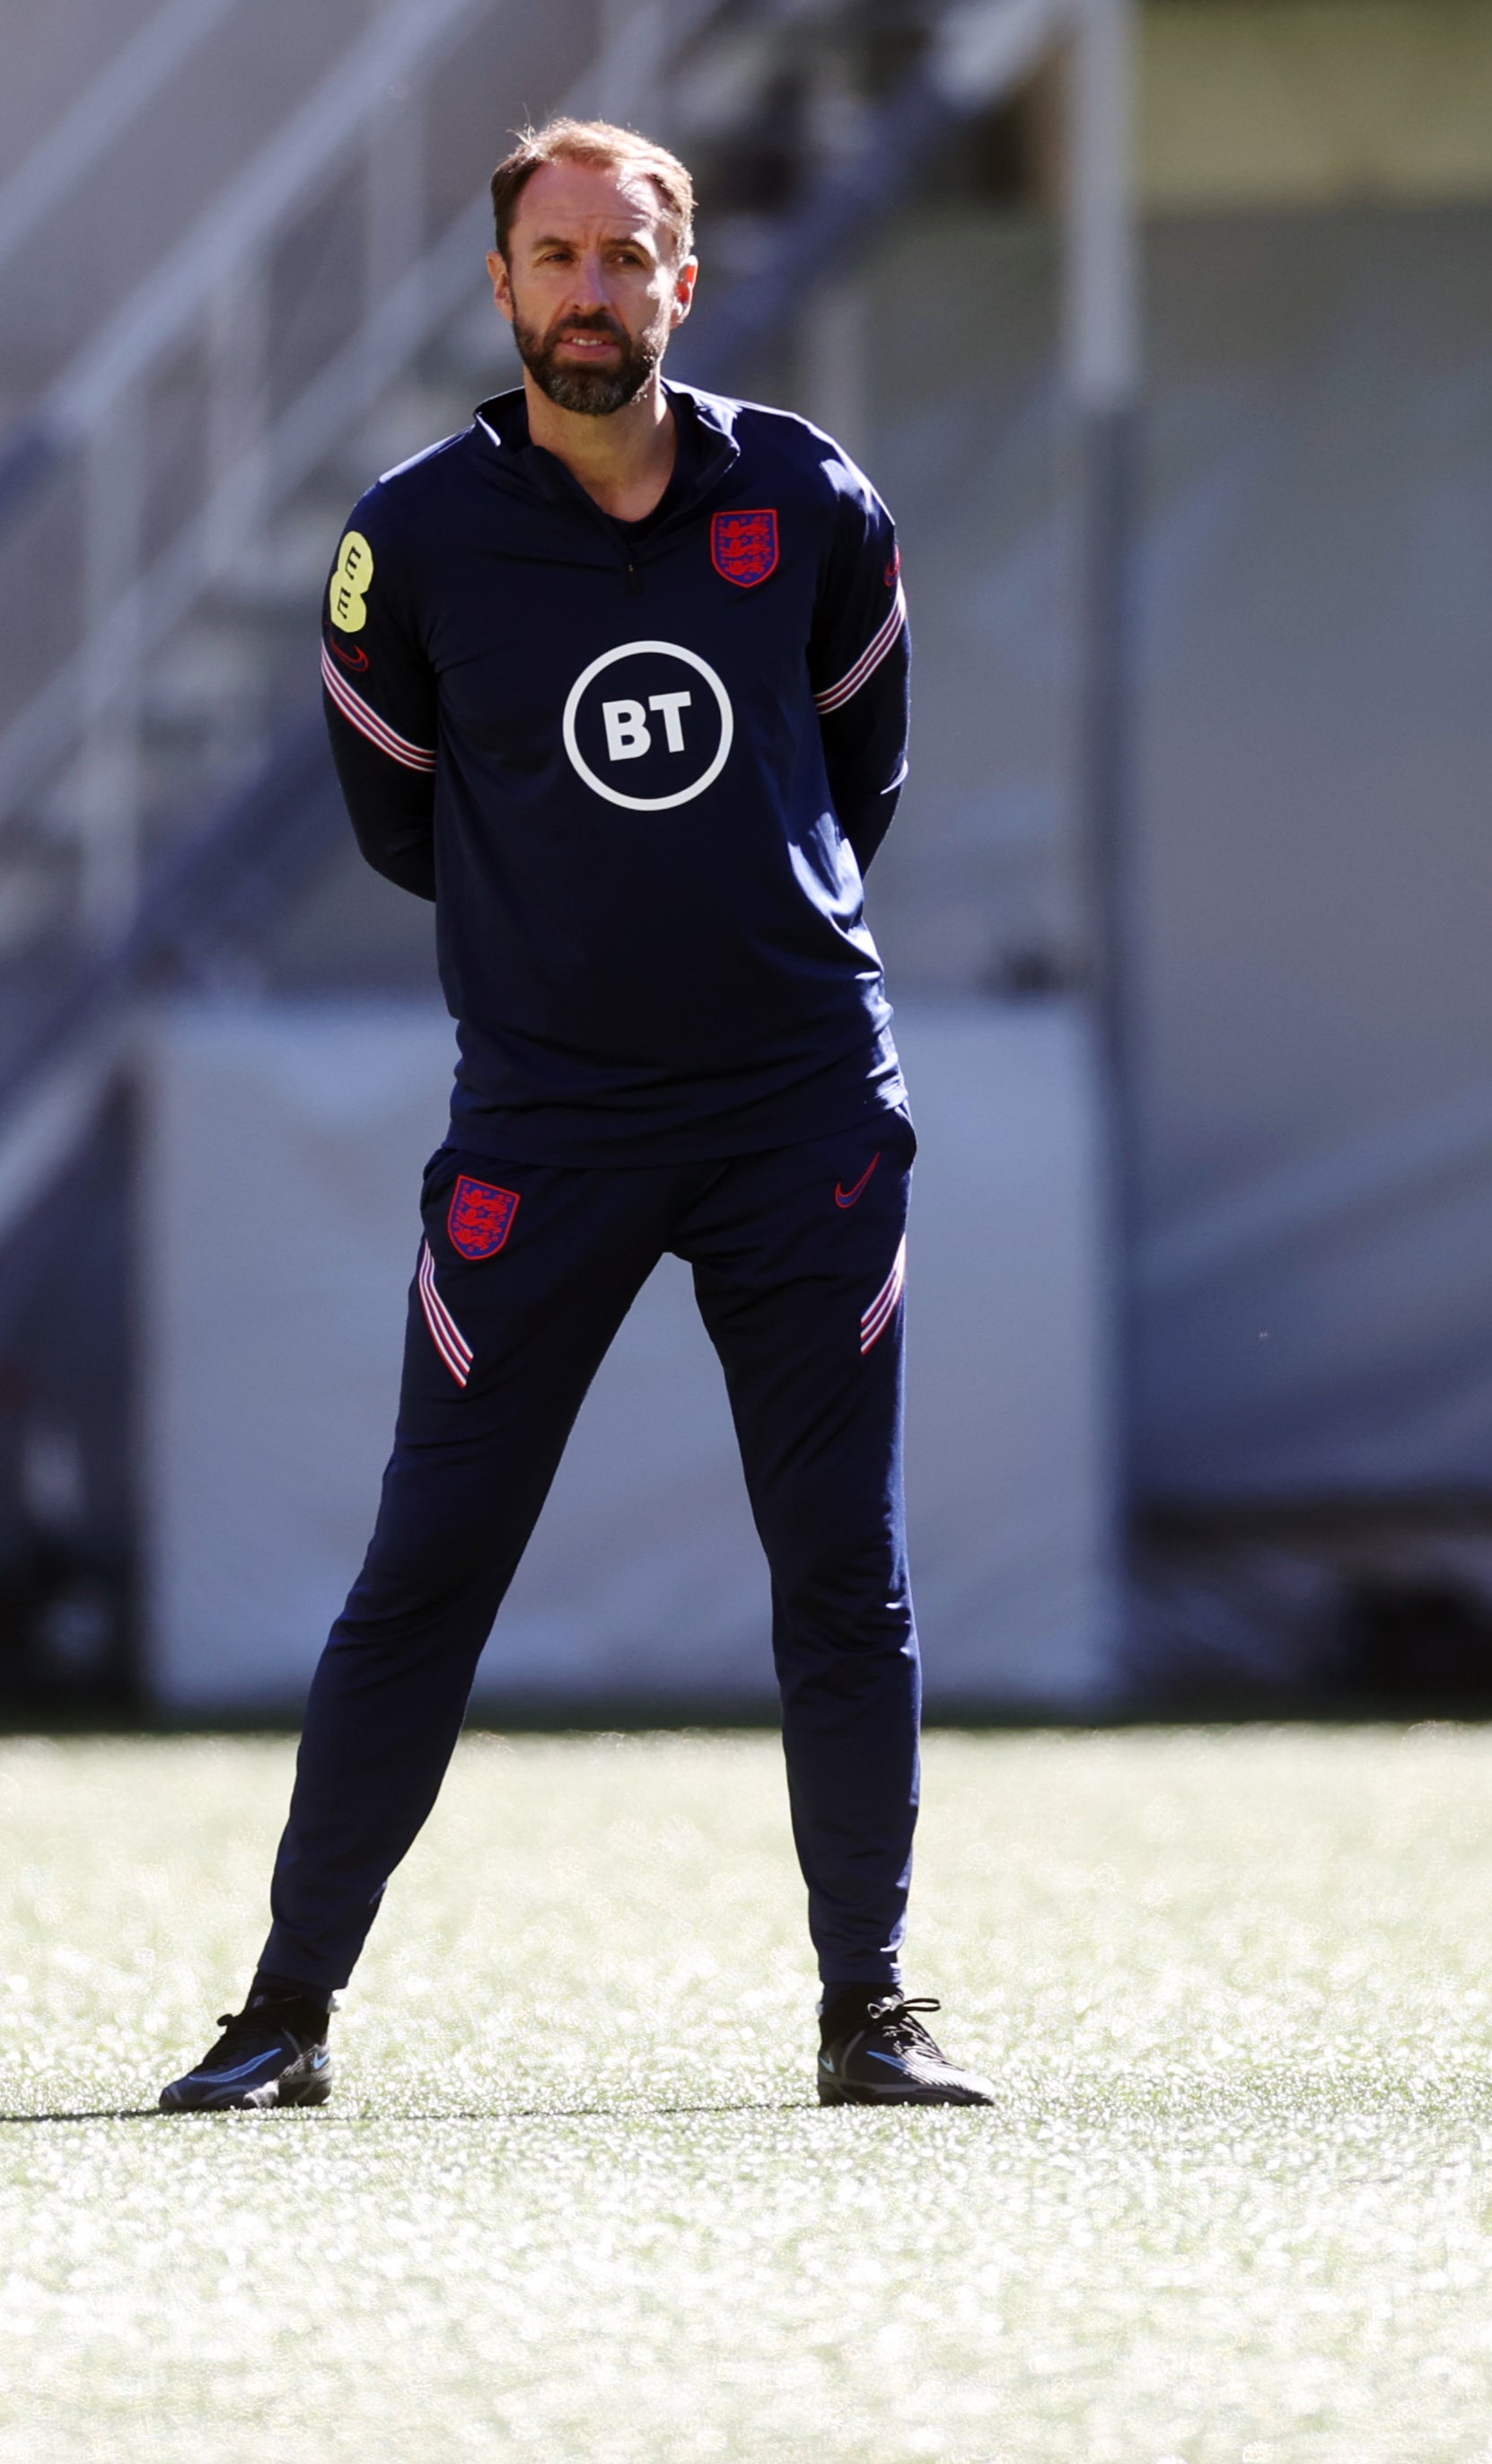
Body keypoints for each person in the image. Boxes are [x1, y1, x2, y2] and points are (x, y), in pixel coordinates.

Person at [157, 118, 985, 2114]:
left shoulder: (803, 497)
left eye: (629, 257)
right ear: (504, 285)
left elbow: (855, 774)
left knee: (840, 1567)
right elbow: (396, 820)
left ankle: (870, 2007)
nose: (592, 291)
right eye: (558, 256)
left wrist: (729, 936)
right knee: (426, 1564)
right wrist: (575, 955)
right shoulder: (413, 542)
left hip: (802, 1112)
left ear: (682, 284)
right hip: (547, 1125)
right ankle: (282, 2014)